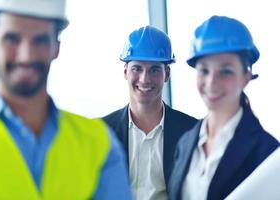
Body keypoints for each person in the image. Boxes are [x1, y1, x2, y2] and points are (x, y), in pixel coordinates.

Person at [0, 0, 132, 199]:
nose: (26, 55)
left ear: (56, 47)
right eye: (12, 39)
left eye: (40, 40)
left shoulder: (98, 143)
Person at [168, 15, 279, 200]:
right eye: (204, 70)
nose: (211, 82)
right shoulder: (185, 142)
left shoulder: (267, 152)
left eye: (225, 71)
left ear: (246, 76)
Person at [103, 25, 197, 200]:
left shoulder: (192, 132)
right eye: (137, 68)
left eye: (154, 69)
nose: (145, 79)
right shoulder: (100, 132)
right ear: (125, 72)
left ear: (166, 74)